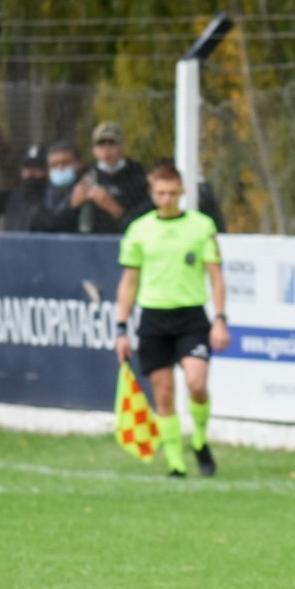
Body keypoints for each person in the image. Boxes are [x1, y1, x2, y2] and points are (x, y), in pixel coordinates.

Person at [114, 164, 229, 478]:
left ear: (182, 192)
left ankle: (201, 440)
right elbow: (129, 282)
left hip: (191, 316)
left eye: (172, 193)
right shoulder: (139, 230)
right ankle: (176, 464)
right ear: (153, 194)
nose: (166, 199)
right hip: (153, 318)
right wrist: (121, 328)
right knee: (163, 393)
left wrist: (220, 319)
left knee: (197, 383)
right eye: (161, 193)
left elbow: (216, 277)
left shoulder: (201, 226)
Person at [74, 121, 153, 234]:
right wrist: (72, 205)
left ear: (123, 147)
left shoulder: (138, 175)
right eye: (101, 144)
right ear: (94, 150)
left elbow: (148, 218)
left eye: (112, 143)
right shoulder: (85, 176)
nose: (106, 150)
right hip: (94, 241)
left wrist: (113, 208)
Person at [0, 139, 49, 231]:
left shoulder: (52, 197)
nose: (31, 172)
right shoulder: (12, 197)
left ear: (47, 171)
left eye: (37, 168)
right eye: (27, 168)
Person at [40, 141, 86, 232]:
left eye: (65, 163)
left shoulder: (87, 188)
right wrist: (71, 206)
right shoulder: (42, 193)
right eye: (54, 165)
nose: (60, 168)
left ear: (78, 164)